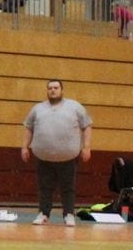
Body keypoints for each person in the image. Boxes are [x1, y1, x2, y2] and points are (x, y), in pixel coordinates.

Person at [21, 78, 91, 227]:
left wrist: (86, 147)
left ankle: (69, 214)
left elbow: (87, 126)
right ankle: (43, 213)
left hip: (68, 157)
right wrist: (24, 147)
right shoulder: (37, 109)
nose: (53, 90)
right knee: (44, 188)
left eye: (56, 88)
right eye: (50, 88)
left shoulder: (75, 107)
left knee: (68, 188)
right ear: (47, 91)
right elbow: (28, 127)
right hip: (43, 157)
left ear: (61, 90)